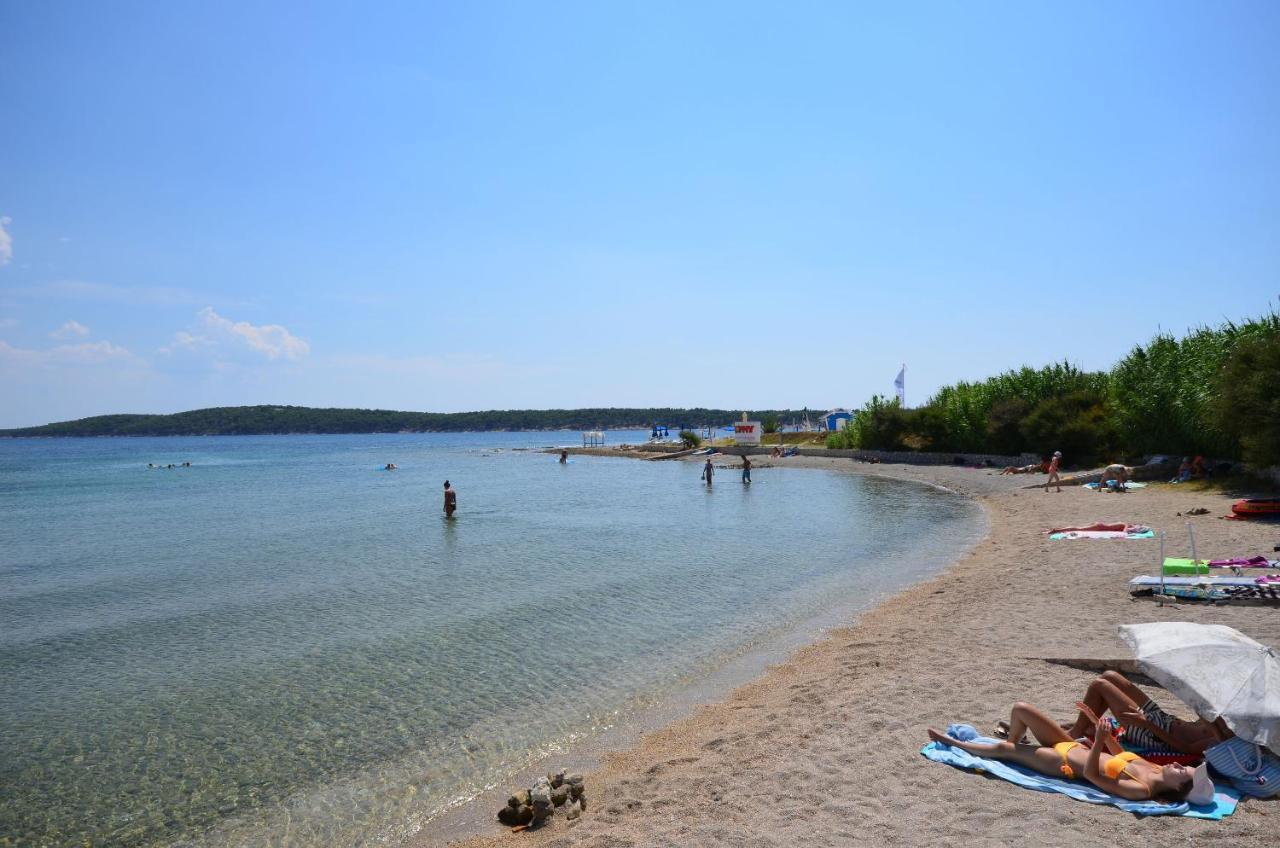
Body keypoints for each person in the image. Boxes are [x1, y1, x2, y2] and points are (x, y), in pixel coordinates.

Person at [1062, 671, 1280, 799]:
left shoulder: (1225, 741)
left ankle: (1074, 733)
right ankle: (1084, 728)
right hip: (1164, 718)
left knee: (1100, 685)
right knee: (1110, 676)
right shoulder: (1228, 721)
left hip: (1152, 732)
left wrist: (1145, 723)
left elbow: (1183, 749)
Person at [928, 701, 1199, 803]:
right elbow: (1118, 753)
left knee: (1003, 748)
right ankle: (1015, 746)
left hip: (1062, 761)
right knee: (1021, 709)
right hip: (1071, 744)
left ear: (1177, 787)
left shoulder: (1141, 789)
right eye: (1181, 765)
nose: (1176, 763)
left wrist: (1096, 744)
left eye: (1181, 770)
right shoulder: (1151, 768)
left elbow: (1093, 776)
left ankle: (957, 745)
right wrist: (1096, 722)